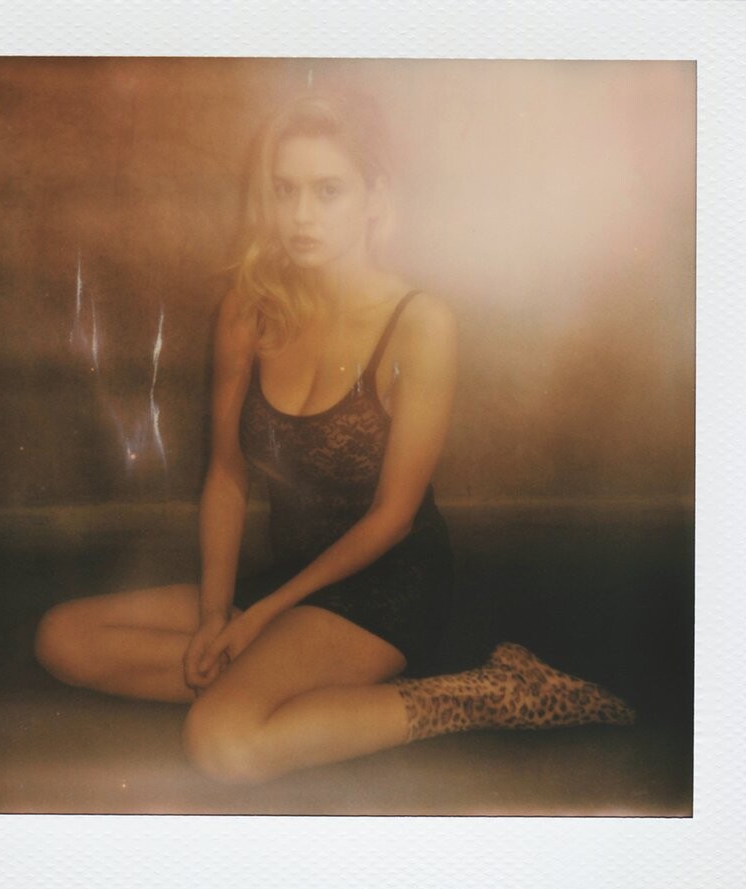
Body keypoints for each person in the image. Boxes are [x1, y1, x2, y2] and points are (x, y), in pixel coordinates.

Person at [35, 89, 634, 785]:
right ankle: (281, 691)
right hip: (287, 576)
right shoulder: (249, 310)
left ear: (376, 197)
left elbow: (393, 516)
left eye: (327, 191)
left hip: (386, 588)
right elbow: (226, 474)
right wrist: (215, 615)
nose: (300, 215)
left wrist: (261, 617)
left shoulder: (421, 323)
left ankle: (489, 693)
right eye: (284, 190)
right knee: (64, 639)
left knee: (222, 742)